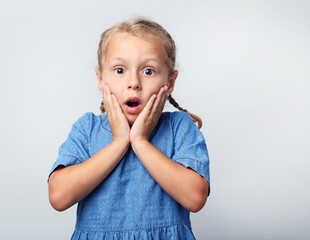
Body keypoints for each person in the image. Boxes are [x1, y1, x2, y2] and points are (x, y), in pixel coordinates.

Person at [48, 17, 210, 239]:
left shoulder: (179, 127)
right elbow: (58, 197)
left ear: (170, 82)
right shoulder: (87, 128)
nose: (133, 82)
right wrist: (118, 142)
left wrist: (141, 142)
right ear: (100, 78)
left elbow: (195, 198)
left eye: (148, 71)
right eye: (120, 70)